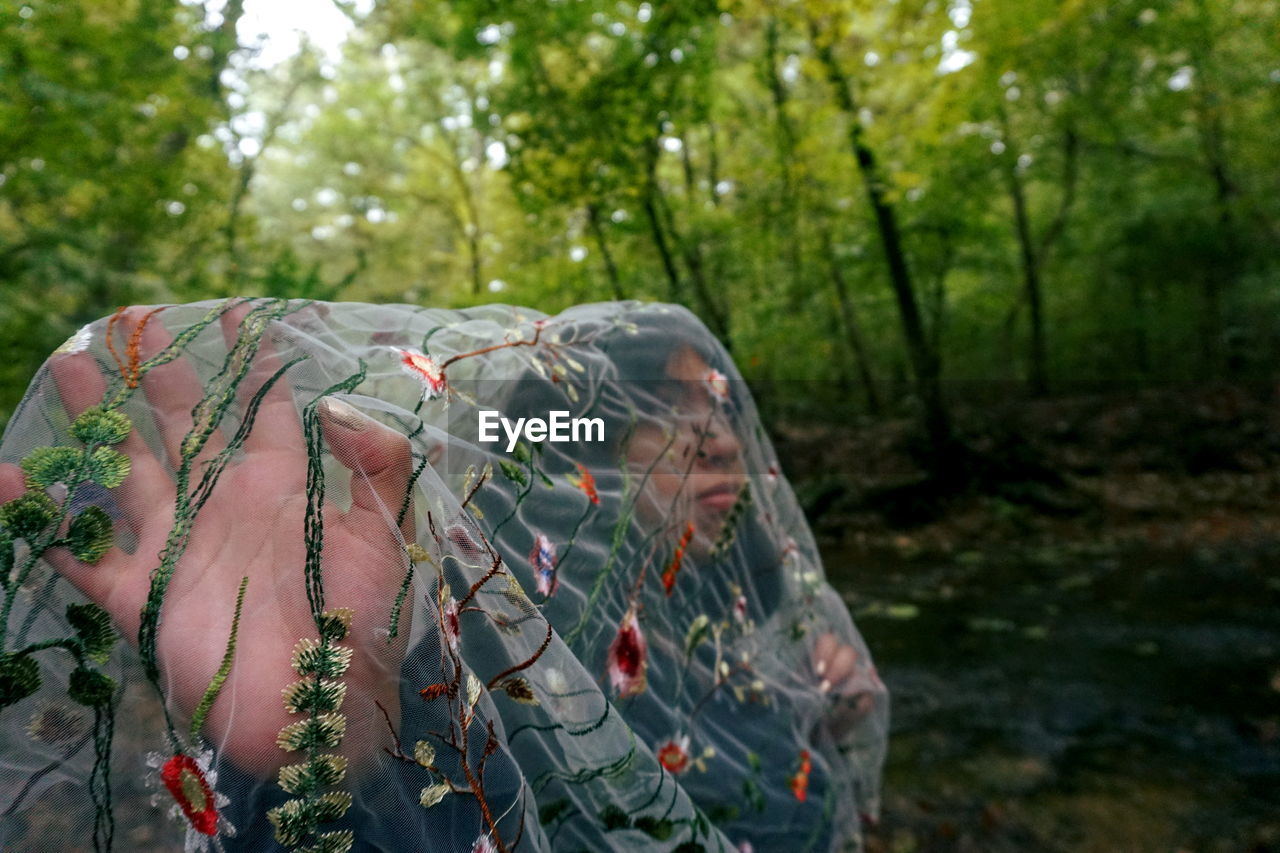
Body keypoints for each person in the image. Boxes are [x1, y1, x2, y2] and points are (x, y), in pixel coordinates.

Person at [0, 298, 886, 852]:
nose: (722, 436)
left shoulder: (727, 589)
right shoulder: (506, 619)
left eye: (719, 408)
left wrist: (818, 702)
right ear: (591, 439)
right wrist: (336, 749)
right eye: (674, 406)